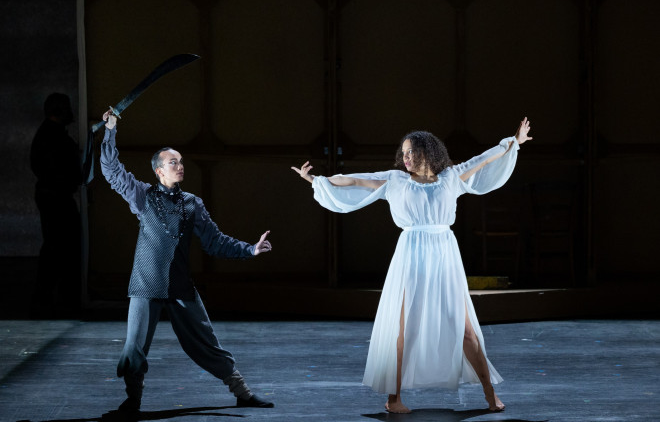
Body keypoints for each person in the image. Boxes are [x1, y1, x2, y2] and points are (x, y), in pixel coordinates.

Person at [292, 118, 532, 413]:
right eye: (403, 153)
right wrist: (317, 181)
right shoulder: (395, 181)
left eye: (410, 152)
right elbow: (355, 179)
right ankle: (394, 399)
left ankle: (489, 393)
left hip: (444, 254)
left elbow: (484, 160)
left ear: (427, 153)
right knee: (401, 329)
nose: (405, 158)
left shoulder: (451, 178)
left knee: (466, 330)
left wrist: (513, 143)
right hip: (411, 254)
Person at [100, 109, 274, 413]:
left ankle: (242, 391)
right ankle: (133, 399)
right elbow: (111, 169)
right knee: (134, 348)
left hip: (180, 285)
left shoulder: (193, 203)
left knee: (206, 342)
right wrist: (111, 130)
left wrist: (250, 250)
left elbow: (215, 241)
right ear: (158, 171)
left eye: (180, 161)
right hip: (146, 283)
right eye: (172, 162)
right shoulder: (142, 196)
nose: (180, 166)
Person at [30, 92, 82, 319]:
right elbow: (60, 169)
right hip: (56, 196)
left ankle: (50, 298)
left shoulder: (48, 134)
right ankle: (54, 298)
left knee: (56, 246)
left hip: (52, 195)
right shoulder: (53, 137)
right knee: (59, 246)